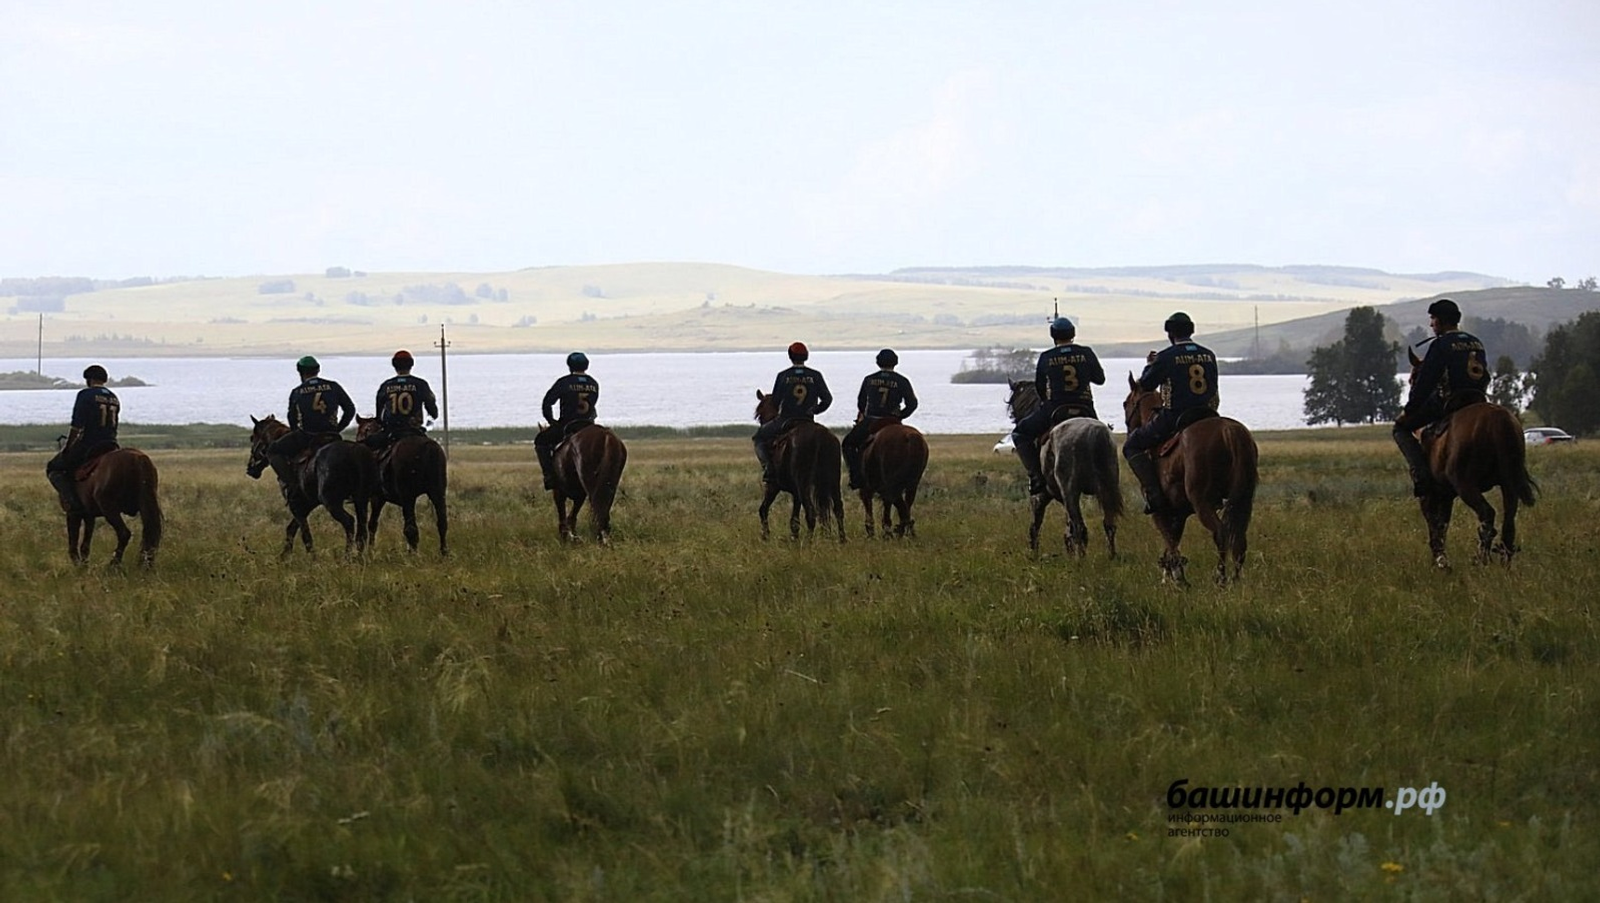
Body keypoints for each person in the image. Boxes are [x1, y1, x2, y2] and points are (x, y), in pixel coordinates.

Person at [1122, 312, 1219, 513]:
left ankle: (1154, 495)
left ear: (1170, 334)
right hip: (1208, 414)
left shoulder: (1166, 357)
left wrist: (1150, 366)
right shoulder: (1209, 354)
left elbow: (1146, 386)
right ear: (1191, 331)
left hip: (1177, 417)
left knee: (1132, 445)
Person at [1393, 297, 1489, 496]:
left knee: (1400, 429)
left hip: (1451, 403)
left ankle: (1422, 477)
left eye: (1433, 319)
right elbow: (1485, 376)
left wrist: (1410, 409)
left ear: (1442, 321)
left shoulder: (1441, 344)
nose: (1431, 324)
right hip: (1478, 400)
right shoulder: (1476, 342)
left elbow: (1425, 382)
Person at [1011, 316, 1105, 495]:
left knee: (1020, 433)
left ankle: (1036, 477)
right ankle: (1103, 476)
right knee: (1101, 435)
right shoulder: (1086, 352)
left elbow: (1039, 387)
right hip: (1086, 408)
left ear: (1053, 336)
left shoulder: (1046, 357)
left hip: (1055, 409)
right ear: (1073, 334)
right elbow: (1100, 379)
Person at [753, 341, 833, 485]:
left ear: (790, 356)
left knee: (759, 437)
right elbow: (827, 399)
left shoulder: (783, 376)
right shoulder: (815, 375)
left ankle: (769, 470)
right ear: (806, 357)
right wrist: (815, 410)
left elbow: (776, 401)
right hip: (808, 420)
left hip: (786, 419)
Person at [45, 364, 121, 515]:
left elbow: (76, 427)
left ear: (89, 380)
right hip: (111, 444)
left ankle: (73, 504)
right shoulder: (114, 398)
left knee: (54, 468)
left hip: (90, 444)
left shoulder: (85, 395)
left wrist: (67, 447)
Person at [266, 355, 356, 477]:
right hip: (332, 435)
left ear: (300, 372)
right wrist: (338, 429)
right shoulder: (334, 386)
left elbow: (292, 418)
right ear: (318, 370)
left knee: (272, 450)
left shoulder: (297, 392)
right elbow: (350, 410)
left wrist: (295, 432)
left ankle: (292, 484)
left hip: (307, 436)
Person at [842, 348, 919, 489]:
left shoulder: (869, 379)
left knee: (848, 444)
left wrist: (864, 414)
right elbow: (912, 403)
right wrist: (901, 415)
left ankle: (856, 477)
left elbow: (861, 402)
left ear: (878, 362)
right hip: (893, 421)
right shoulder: (902, 381)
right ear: (895, 363)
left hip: (873, 419)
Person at [535, 352, 600, 490]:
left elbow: (547, 403)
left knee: (541, 440)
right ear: (586, 366)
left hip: (568, 425)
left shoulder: (564, 382)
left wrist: (552, 421)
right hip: (588, 425)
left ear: (570, 366)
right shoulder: (594, 383)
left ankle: (549, 476)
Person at [365, 349, 439, 451]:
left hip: (392, 431)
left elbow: (379, 415)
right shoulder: (421, 384)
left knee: (367, 450)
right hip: (415, 430)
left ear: (394, 366)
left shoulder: (386, 386)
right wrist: (428, 423)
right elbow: (433, 411)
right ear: (411, 365)